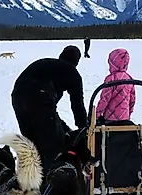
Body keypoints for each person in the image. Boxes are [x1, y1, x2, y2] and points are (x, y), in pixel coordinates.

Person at [11, 45, 88, 177]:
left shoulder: (47, 64)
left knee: (32, 144)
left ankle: (30, 181)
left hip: (18, 96)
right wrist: (84, 127)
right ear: (76, 62)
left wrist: (63, 127)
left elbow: (50, 111)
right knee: (52, 147)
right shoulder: (72, 74)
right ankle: (49, 184)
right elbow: (77, 105)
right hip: (38, 97)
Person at [95, 47, 136, 123]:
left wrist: (96, 116)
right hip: (125, 118)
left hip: (110, 119)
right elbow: (132, 100)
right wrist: (128, 114)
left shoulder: (111, 79)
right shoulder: (129, 79)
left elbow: (104, 100)